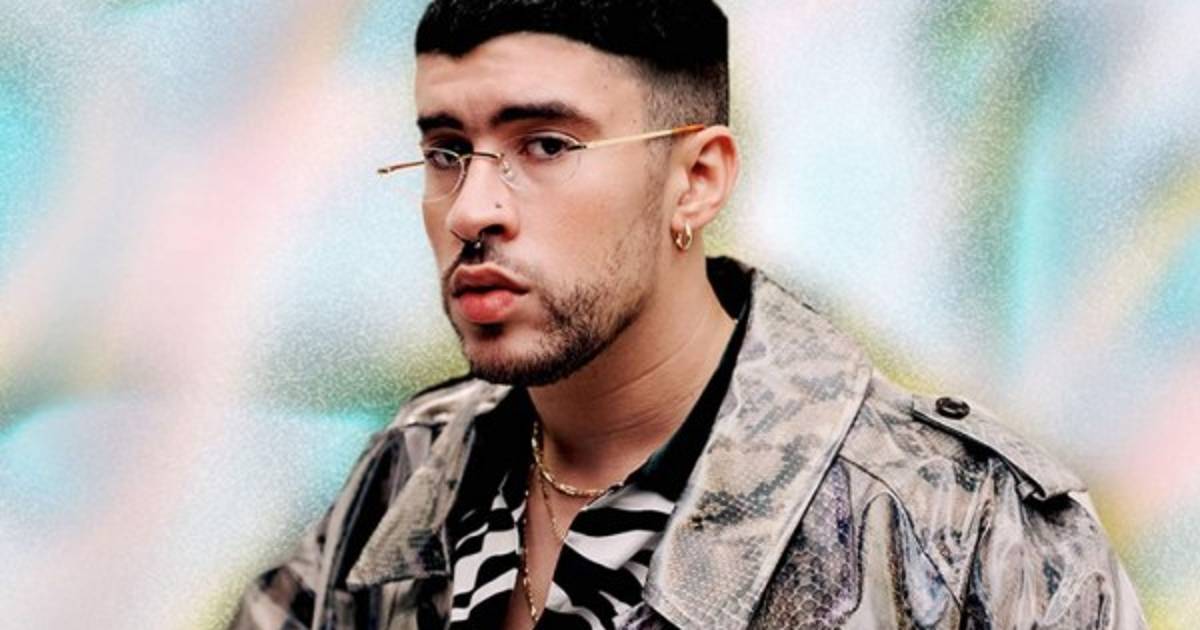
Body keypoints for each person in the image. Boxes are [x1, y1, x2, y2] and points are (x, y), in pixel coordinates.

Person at [229, 1, 1146, 628]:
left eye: (544, 145)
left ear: (697, 180)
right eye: (444, 151)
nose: (472, 209)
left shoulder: (960, 525)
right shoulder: (410, 472)